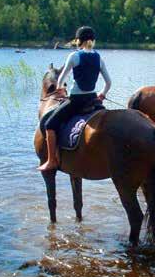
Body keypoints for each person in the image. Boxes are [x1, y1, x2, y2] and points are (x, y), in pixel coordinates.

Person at [38, 26, 112, 171]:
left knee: (49, 124)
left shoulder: (74, 56)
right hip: (92, 100)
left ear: (79, 40)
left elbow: (61, 79)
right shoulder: (99, 58)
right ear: (93, 40)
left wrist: (59, 88)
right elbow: (109, 83)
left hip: (76, 101)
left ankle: (52, 160)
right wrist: (102, 94)